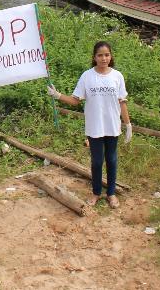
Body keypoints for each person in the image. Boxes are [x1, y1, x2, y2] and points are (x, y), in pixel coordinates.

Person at [47, 41, 132, 208]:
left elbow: (122, 103)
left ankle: (111, 193)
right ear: (94, 57)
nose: (103, 58)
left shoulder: (117, 76)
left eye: (107, 54)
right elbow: (75, 100)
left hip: (112, 126)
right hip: (94, 126)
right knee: (96, 161)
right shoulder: (87, 76)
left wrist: (128, 124)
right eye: (100, 55)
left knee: (112, 159)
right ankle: (95, 193)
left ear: (111, 56)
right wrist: (57, 95)